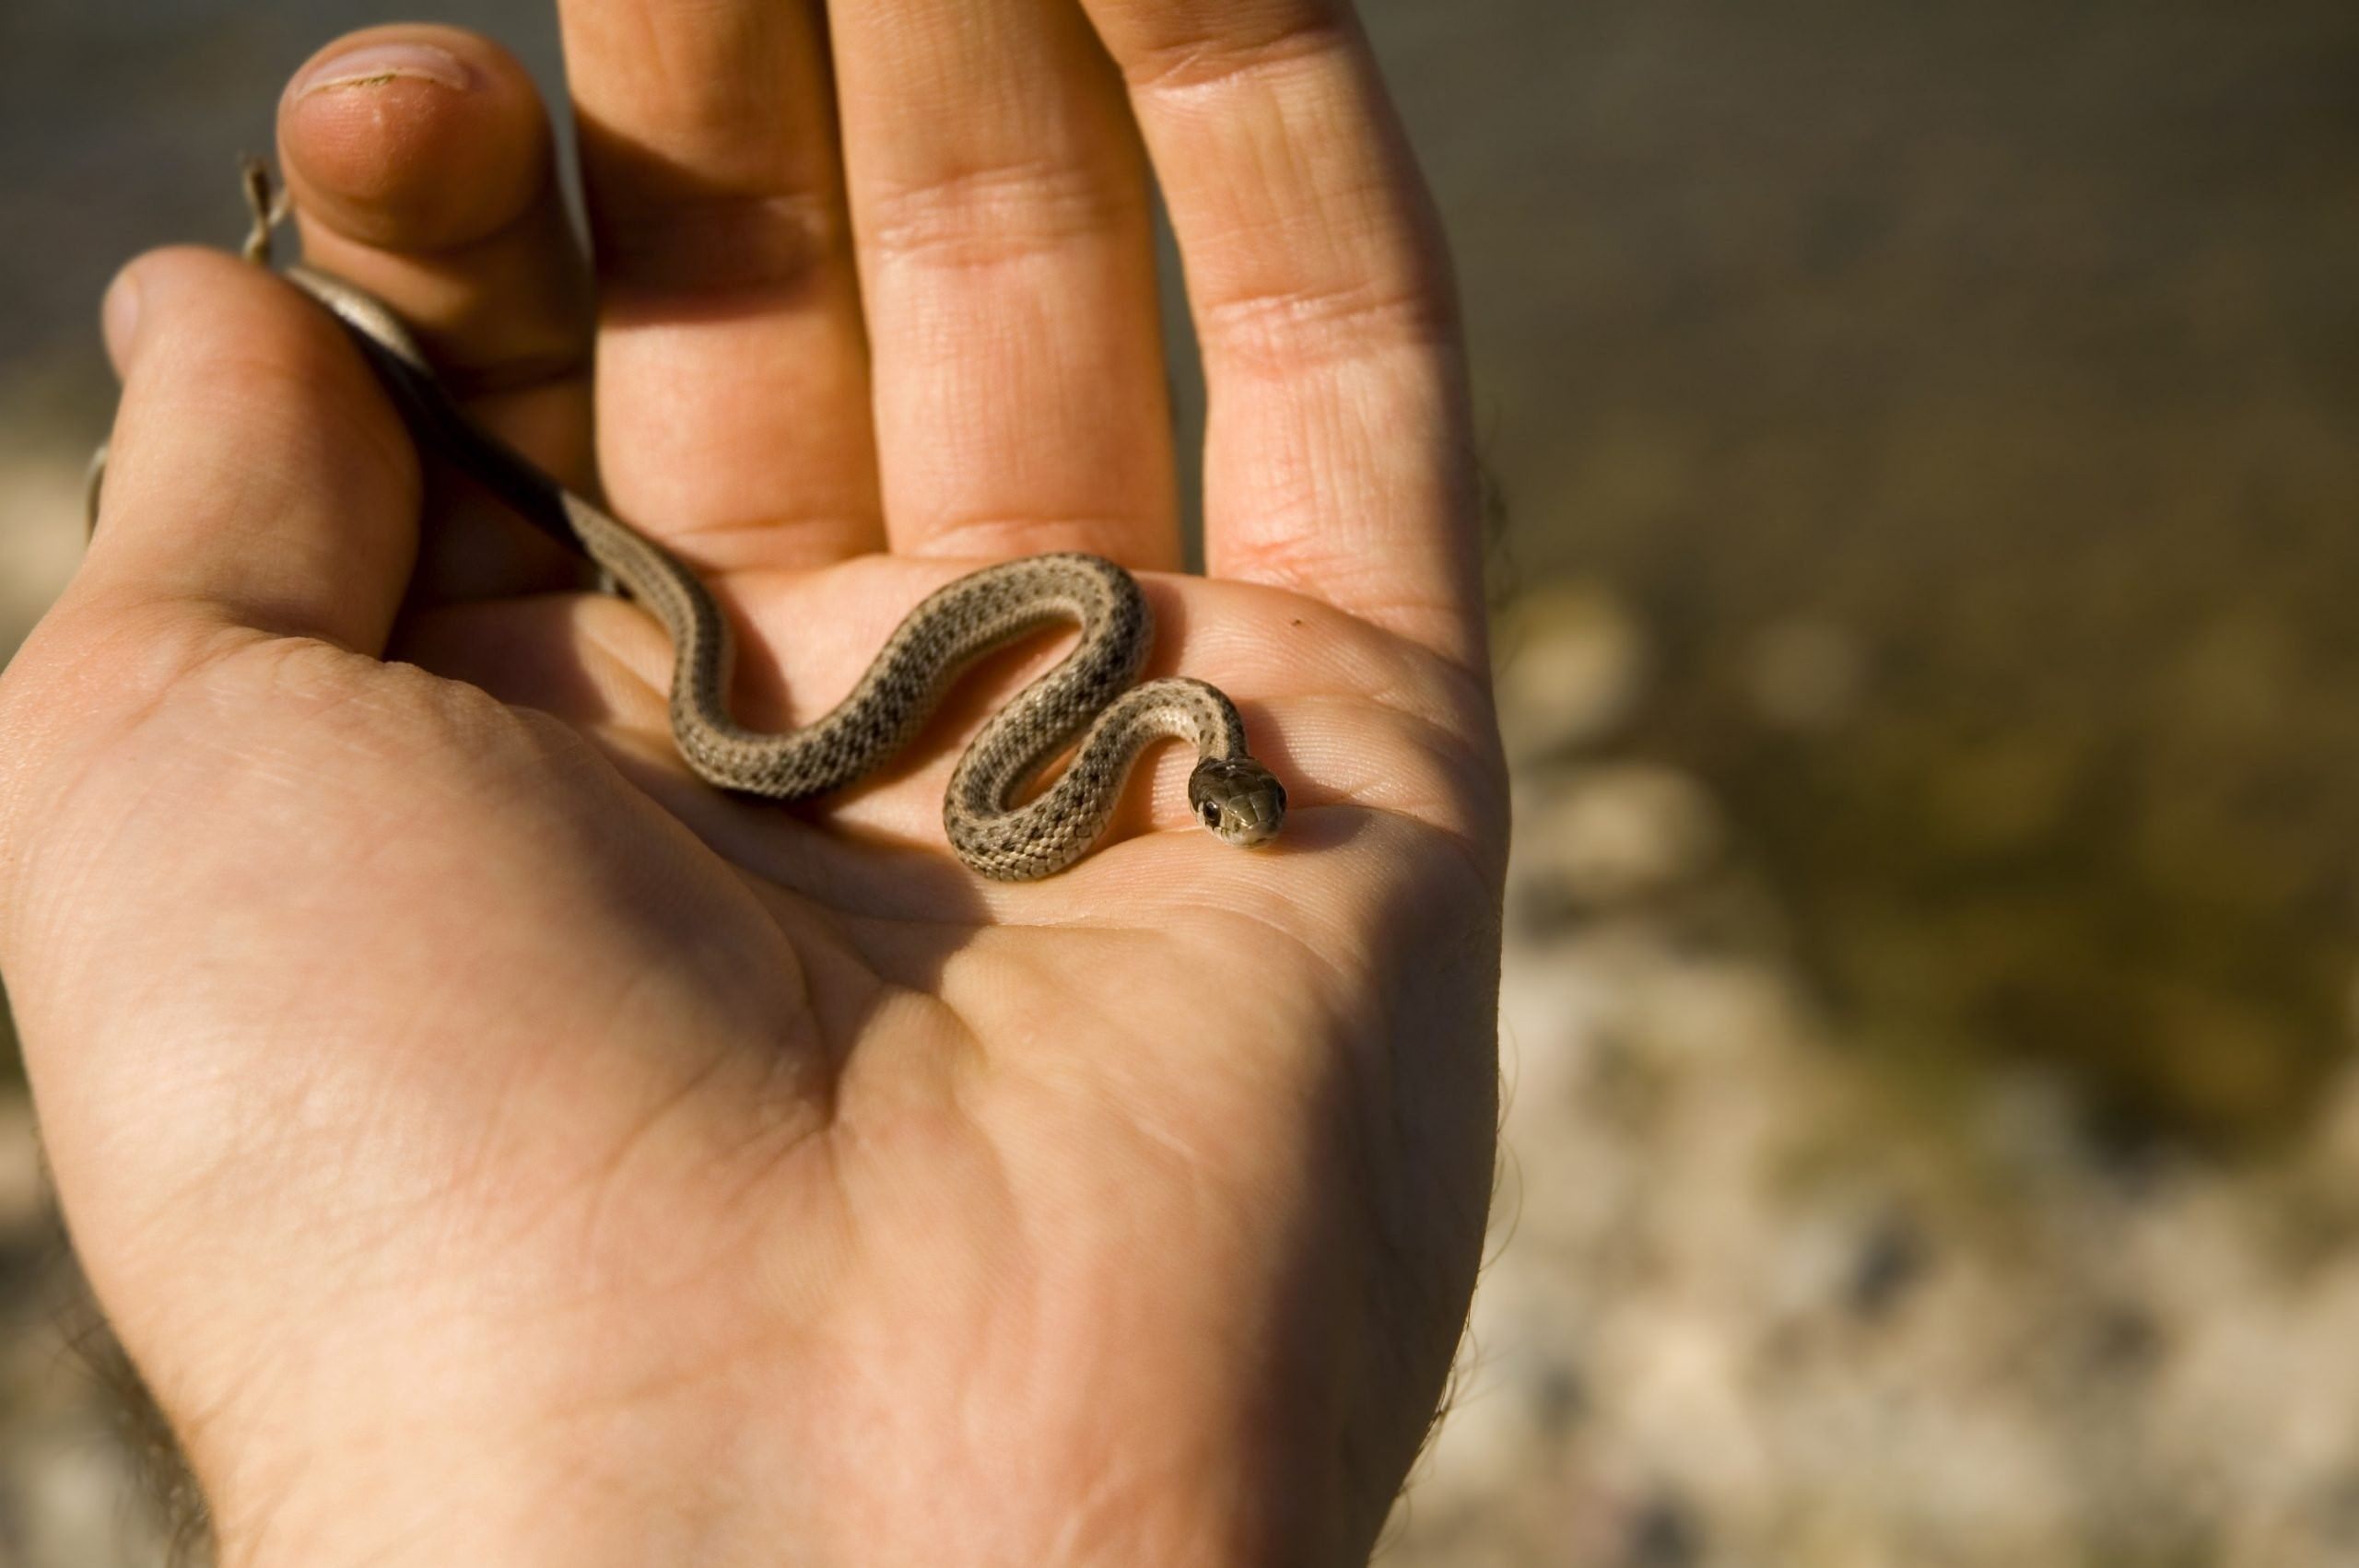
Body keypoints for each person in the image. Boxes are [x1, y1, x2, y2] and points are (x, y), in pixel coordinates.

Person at [0, 1, 1505, 1561]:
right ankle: (403, 391)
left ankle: (416, 402)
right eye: (1240, 808)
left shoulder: (1143, 699)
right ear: (1216, 778)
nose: (1248, 825)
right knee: (731, 666)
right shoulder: (1119, 707)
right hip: (855, 721)